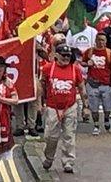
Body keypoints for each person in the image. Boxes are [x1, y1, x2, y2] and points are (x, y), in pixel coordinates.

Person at [40, 45, 86, 174]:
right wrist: (41, 103)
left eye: (68, 55)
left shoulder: (75, 70)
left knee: (69, 135)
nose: (66, 58)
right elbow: (42, 85)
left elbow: (82, 88)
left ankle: (68, 162)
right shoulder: (48, 68)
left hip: (70, 106)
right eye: (63, 55)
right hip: (52, 107)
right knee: (50, 136)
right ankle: (49, 159)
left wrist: (85, 106)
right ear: (57, 55)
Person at [81, 32, 111, 135]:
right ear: (96, 40)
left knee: (107, 107)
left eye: (103, 40)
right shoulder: (90, 51)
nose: (101, 42)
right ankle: (96, 125)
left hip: (106, 84)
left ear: (106, 41)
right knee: (94, 107)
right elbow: (82, 62)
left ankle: (106, 119)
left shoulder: (109, 53)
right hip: (92, 83)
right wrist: (87, 63)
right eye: (99, 40)